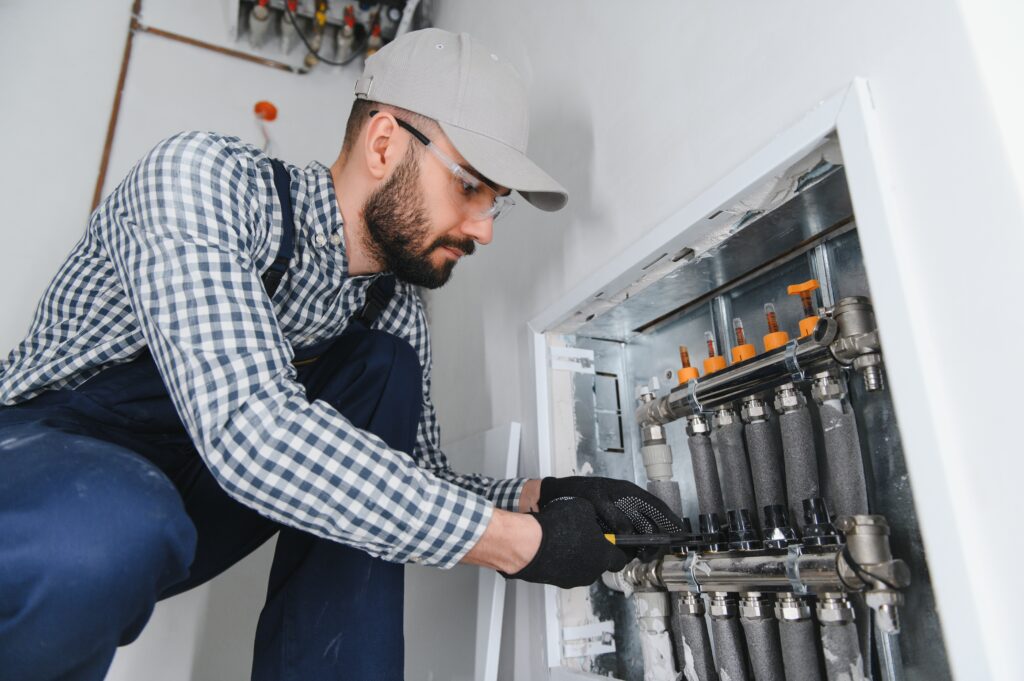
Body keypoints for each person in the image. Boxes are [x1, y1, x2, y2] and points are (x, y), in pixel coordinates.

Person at [0, 28, 684, 680]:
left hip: (185, 502)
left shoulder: (392, 309)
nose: (484, 229)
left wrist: (542, 499)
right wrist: (519, 545)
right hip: (44, 470)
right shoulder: (202, 180)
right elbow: (252, 430)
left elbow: (411, 480)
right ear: (383, 144)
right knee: (112, 525)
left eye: (495, 203)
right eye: (469, 185)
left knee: (384, 366)